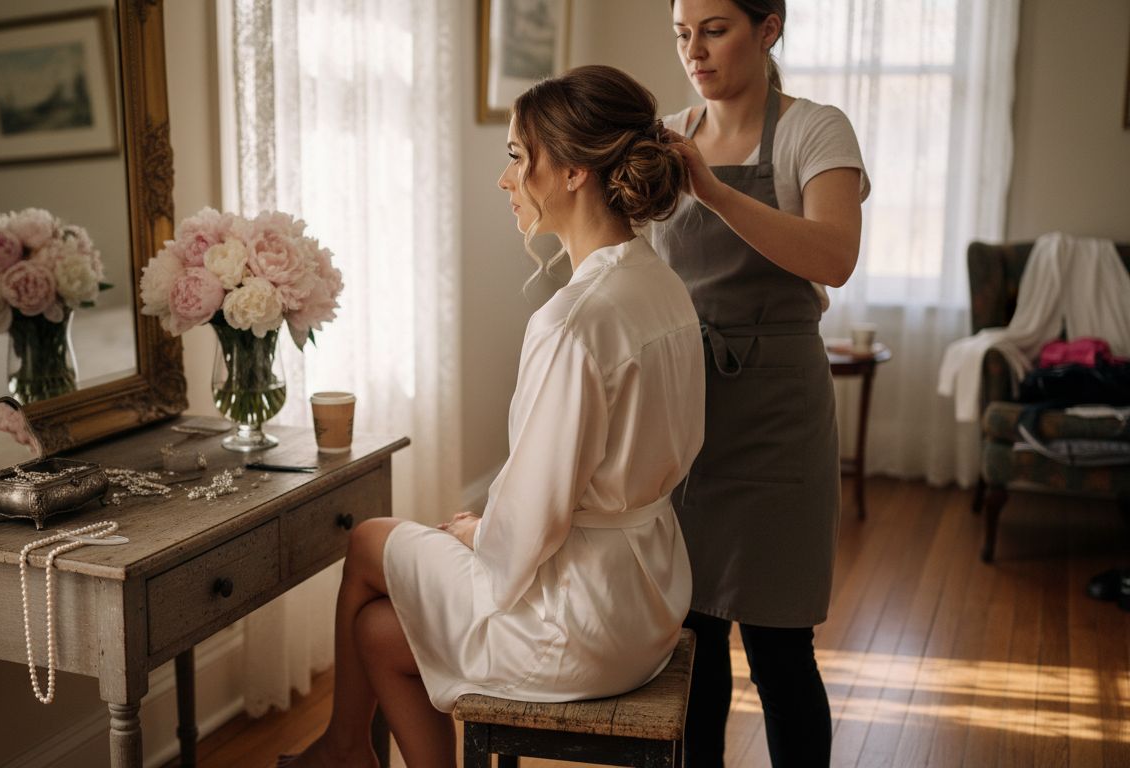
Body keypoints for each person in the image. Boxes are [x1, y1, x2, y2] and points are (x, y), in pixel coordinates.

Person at [283, 65, 706, 768]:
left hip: (584, 625)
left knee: (367, 542)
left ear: (572, 171)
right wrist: (488, 528)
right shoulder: (661, 285)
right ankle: (347, 749)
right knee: (382, 631)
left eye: (517, 155)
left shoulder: (574, 321)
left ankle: (341, 750)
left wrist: (481, 533)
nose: (505, 178)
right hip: (651, 599)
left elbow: (531, 522)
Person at [648, 1, 871, 766]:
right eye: (683, 33)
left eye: (715, 29)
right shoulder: (668, 135)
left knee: (780, 647)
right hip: (685, 409)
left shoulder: (816, 129)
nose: (694, 52)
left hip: (779, 412)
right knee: (692, 640)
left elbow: (834, 255)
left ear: (768, 27)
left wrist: (711, 189)